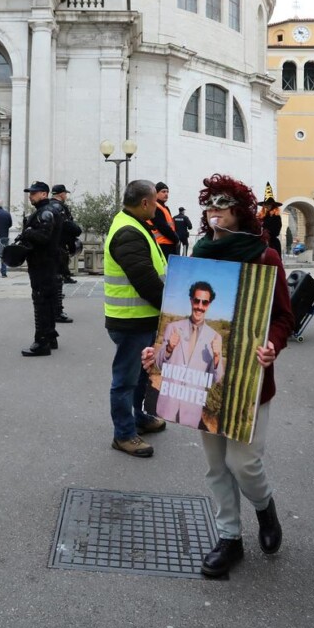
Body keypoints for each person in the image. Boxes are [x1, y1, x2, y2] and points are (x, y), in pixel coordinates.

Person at [144, 173, 294, 578]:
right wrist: (157, 352)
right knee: (215, 464)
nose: (213, 214)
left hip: (250, 379)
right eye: (209, 207)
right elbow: (177, 320)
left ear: (240, 213)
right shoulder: (200, 256)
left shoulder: (265, 257)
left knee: (244, 461)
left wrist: (271, 347)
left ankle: (264, 507)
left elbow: (283, 316)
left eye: (222, 207)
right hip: (204, 383)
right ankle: (229, 537)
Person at [104, 179, 168, 458]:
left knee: (143, 374)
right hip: (131, 321)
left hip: (141, 318)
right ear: (144, 203)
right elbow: (146, 282)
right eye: (155, 201)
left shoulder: (134, 224)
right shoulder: (129, 231)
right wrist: (171, 308)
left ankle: (139, 417)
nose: (157, 205)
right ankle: (124, 435)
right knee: (126, 380)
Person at [153, 279, 224, 428]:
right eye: (197, 301)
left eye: (204, 303)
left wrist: (217, 357)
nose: (199, 306)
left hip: (191, 411)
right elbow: (159, 365)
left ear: (209, 305)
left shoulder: (215, 337)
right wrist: (169, 349)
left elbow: (216, 379)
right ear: (191, 301)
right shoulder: (173, 328)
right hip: (168, 405)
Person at [20, 181, 63, 356]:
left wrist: (28, 232)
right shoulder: (47, 211)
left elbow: (44, 237)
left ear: (44, 194)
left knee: (41, 302)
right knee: (48, 300)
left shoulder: (46, 212)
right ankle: (51, 337)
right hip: (47, 262)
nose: (30, 195)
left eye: (34, 193)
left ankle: (42, 342)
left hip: (43, 263)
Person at [52, 185, 79, 284]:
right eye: (65, 193)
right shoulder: (61, 207)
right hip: (61, 239)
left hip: (52, 239)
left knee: (60, 260)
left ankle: (65, 276)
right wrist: (76, 230)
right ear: (61, 194)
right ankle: (62, 278)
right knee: (61, 259)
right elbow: (66, 225)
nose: (66, 196)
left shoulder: (48, 205)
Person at [150, 182, 179, 260]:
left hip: (168, 244)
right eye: (163, 191)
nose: (166, 194)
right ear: (156, 194)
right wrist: (176, 238)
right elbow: (163, 227)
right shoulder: (155, 207)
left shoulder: (164, 208)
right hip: (162, 245)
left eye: (167, 192)